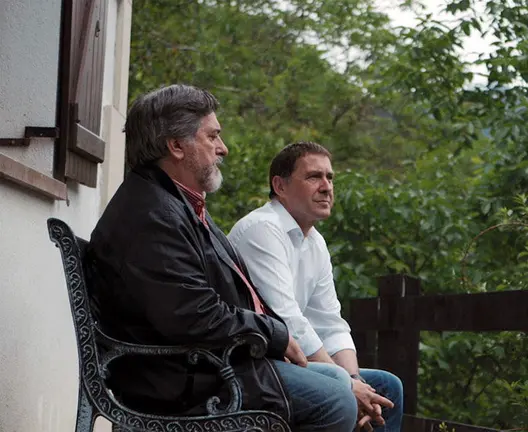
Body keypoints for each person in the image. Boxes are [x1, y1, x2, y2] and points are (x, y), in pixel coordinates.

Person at [87, 85, 357, 431]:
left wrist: (273, 338)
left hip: (203, 365)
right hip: (182, 379)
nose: (223, 148)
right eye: (213, 136)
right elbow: (193, 313)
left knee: (340, 381)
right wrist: (275, 334)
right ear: (176, 146)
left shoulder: (175, 204)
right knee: (335, 400)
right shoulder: (152, 215)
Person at [228, 142, 404, 432]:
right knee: (339, 383)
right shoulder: (261, 229)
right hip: (253, 363)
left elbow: (329, 323)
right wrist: (347, 383)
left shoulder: (315, 242)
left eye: (330, 177)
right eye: (313, 177)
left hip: (291, 363)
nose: (326, 187)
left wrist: (355, 380)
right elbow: (287, 320)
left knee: (387, 387)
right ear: (280, 186)